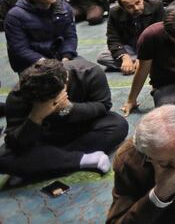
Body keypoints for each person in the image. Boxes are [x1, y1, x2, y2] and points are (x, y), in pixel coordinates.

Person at [0, 58, 129, 181]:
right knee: (4, 158)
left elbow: (103, 106)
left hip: (79, 129)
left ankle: (47, 161)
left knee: (117, 124)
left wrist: (68, 108)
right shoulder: (19, 95)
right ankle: (83, 159)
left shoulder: (89, 72)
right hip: (43, 137)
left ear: (66, 81)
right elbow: (14, 141)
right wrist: (36, 117)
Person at [5, 0, 78, 73]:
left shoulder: (64, 7)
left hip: (60, 57)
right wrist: (50, 64)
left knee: (90, 72)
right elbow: (20, 49)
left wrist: (66, 57)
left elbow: (70, 36)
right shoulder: (15, 16)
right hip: (33, 63)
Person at [97, 0, 165, 74]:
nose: (136, 8)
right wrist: (124, 57)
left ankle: (139, 64)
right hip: (130, 47)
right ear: (122, 7)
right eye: (130, 7)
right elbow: (113, 38)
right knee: (102, 57)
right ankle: (145, 65)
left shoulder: (156, 6)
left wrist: (143, 58)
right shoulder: (114, 12)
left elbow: (161, 36)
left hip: (151, 47)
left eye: (138, 3)